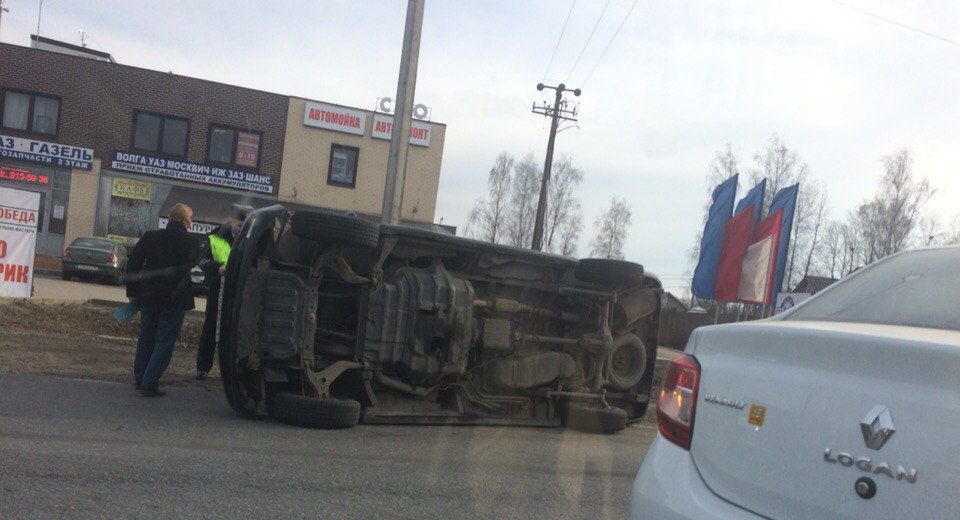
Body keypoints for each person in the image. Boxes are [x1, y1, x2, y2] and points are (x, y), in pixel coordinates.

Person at [126, 203, 200, 397]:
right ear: (186, 222)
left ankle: (140, 377)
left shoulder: (151, 237)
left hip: (149, 296)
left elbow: (133, 262)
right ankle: (149, 383)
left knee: (146, 336)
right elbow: (191, 266)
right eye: (190, 221)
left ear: (169, 217)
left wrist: (132, 290)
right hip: (174, 299)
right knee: (165, 340)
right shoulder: (191, 242)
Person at [195, 203, 253, 380]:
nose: (242, 227)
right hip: (219, 290)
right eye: (239, 223)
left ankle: (234, 371)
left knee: (239, 331)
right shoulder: (215, 237)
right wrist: (218, 268)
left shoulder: (254, 239)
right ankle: (203, 367)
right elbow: (202, 262)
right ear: (231, 220)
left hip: (244, 292)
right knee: (211, 328)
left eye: (245, 224)